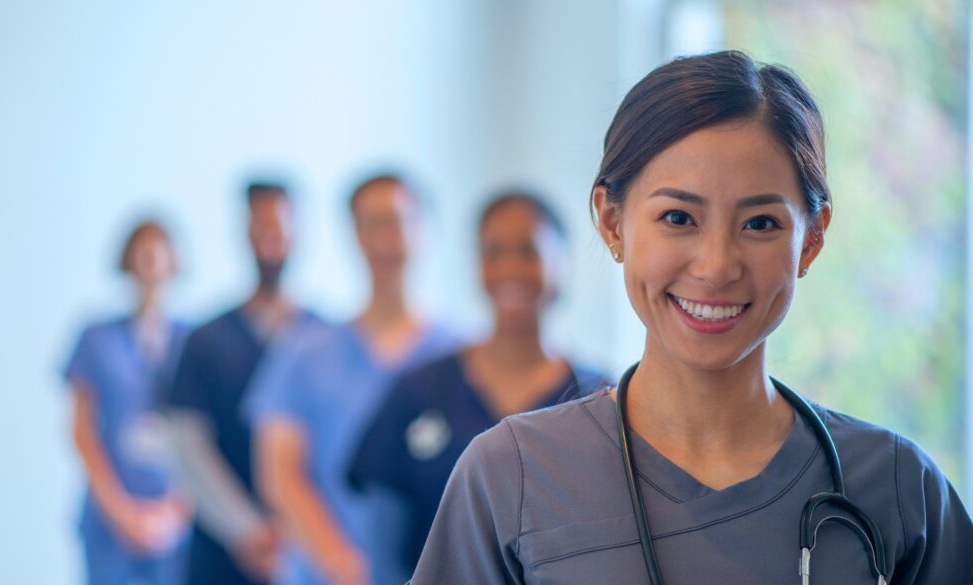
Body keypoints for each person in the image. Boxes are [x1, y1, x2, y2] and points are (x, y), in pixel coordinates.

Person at [411, 50, 973, 584]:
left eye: (760, 224)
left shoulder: (899, 488)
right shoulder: (513, 476)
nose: (716, 266)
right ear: (611, 223)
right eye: (678, 217)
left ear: (812, 239)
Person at [348, 191, 607, 579]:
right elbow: (383, 534)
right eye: (493, 252)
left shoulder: (598, 400)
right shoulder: (420, 389)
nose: (509, 268)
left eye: (528, 251)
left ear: (561, 262)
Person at [246, 173, 457, 585]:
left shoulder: (460, 355)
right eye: (373, 223)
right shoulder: (303, 352)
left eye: (398, 221)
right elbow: (279, 473)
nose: (386, 239)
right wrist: (340, 563)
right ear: (355, 235)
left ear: (424, 232)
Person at [166, 181, 322, 585]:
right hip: (220, 555)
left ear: (297, 234)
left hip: (308, 552)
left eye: (280, 227)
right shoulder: (205, 340)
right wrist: (248, 531)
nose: (271, 239)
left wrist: (295, 532)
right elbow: (187, 447)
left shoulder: (326, 340)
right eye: (261, 226)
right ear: (245, 233)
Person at [63, 219, 192, 585]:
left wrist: (176, 511)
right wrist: (121, 514)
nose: (150, 258)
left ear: (174, 261)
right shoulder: (96, 337)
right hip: (110, 520)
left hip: (177, 518)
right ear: (127, 259)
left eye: (159, 248)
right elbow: (81, 431)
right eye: (142, 248)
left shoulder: (193, 341)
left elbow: (202, 437)